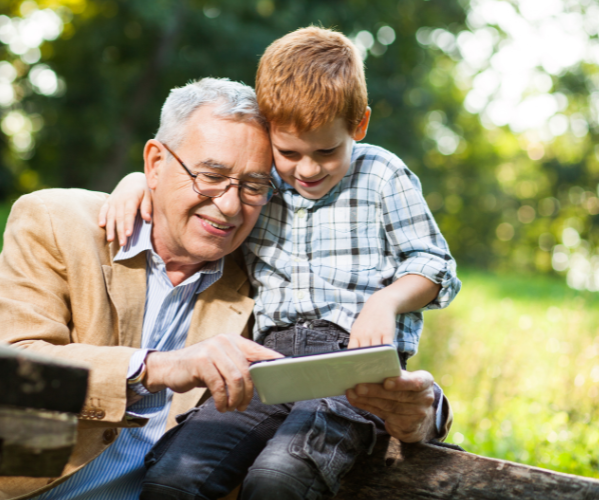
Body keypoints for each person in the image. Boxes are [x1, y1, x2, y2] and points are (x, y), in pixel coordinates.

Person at [99, 27, 462, 500]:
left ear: (360, 125)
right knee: (176, 474)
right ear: (270, 132)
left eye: (326, 151)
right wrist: (136, 182)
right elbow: (184, 177)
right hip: (271, 360)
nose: (307, 170)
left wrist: (386, 302)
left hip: (349, 366)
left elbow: (435, 263)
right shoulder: (259, 186)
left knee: (280, 477)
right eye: (289, 153)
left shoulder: (382, 176)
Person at [0, 78, 284, 500]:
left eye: (253, 186)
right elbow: (11, 368)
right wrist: (158, 367)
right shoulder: (54, 221)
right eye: (211, 175)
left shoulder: (267, 279)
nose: (231, 205)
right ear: (156, 162)